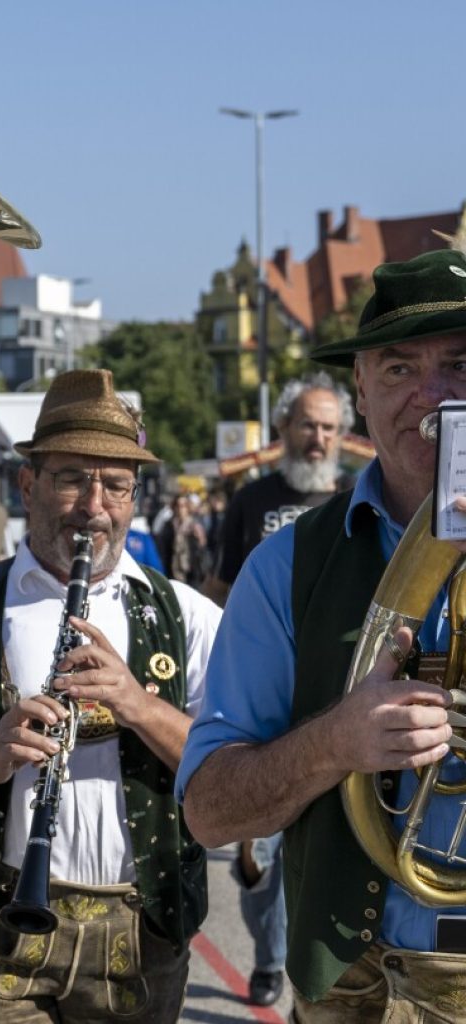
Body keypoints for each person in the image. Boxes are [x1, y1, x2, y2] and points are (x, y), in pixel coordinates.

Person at [0, 369, 221, 1023]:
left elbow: (233, 773)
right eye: (72, 479)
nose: (95, 507)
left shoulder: (190, 616)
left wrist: (139, 707)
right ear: (29, 484)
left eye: (116, 485)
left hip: (140, 938)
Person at [177, 248, 466, 1022]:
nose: (432, 396)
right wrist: (336, 743)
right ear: (361, 396)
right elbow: (208, 812)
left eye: (460, 365)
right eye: (400, 370)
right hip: (354, 986)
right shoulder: (285, 567)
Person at [202, 371, 354, 1008]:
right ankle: (267, 958)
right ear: (284, 430)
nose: (317, 437)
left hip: (342, 703)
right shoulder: (251, 500)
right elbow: (222, 589)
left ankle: (313, 985)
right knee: (258, 858)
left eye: (328, 427)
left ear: (342, 435)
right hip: (267, 705)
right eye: (306, 424)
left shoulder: (356, 498)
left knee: (328, 858)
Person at [156, 493, 209, 586]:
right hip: (172, 572)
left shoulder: (195, 526)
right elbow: (163, 549)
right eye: (178, 505)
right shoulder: (168, 525)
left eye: (184, 506)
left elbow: (201, 549)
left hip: (191, 573)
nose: (181, 509)